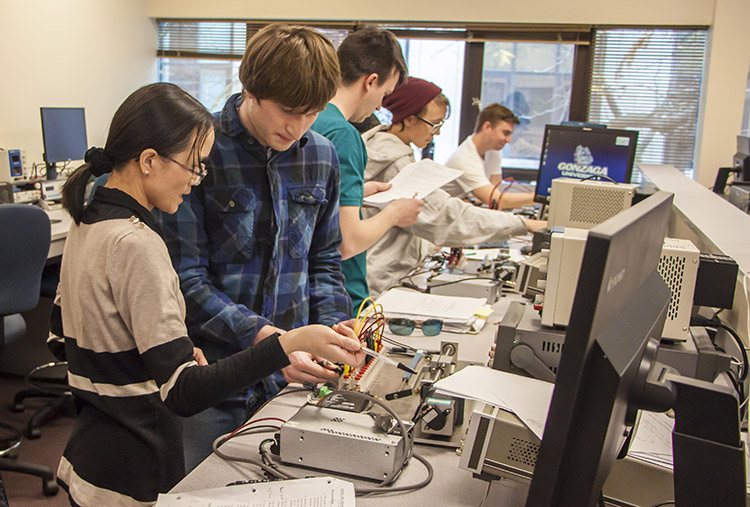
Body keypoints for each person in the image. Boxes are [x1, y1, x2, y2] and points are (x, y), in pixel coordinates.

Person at [53, 82, 364, 507]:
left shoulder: (86, 223)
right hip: (133, 475)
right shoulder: (138, 243)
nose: (196, 181)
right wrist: (286, 343)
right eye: (194, 166)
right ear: (149, 161)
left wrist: (169, 352)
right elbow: (185, 394)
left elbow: (61, 335)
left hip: (87, 463)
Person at [154, 24, 353, 472]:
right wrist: (272, 345)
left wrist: (335, 331)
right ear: (249, 89)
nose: (298, 126)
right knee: (202, 491)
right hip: (213, 377)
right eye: (288, 111)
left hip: (293, 377)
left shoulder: (320, 155)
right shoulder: (198, 151)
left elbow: (323, 261)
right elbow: (184, 280)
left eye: (313, 113)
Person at [362, 78, 547, 296]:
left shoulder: (387, 150)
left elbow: (406, 225)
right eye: (435, 123)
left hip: (384, 278)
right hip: (381, 286)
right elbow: (446, 217)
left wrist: (431, 246)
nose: (437, 132)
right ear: (409, 118)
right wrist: (523, 224)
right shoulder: (396, 163)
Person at [311, 27, 422, 313]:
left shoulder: (309, 119)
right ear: (370, 81)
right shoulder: (344, 134)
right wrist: (395, 213)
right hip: (340, 296)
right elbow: (348, 241)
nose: (379, 106)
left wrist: (357, 194)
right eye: (384, 94)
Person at [444, 103, 535, 209]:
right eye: (505, 133)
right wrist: (539, 198)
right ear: (487, 127)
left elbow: (494, 192)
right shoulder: (463, 158)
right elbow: (496, 200)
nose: (509, 140)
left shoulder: (493, 151)